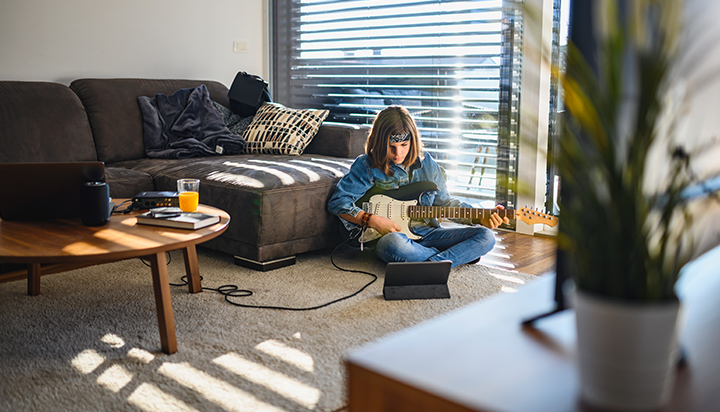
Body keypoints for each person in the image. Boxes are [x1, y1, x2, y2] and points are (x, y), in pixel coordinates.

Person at [327, 105, 509, 268]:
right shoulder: (367, 165)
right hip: (392, 237)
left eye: (404, 145)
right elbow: (338, 202)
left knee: (486, 236)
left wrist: (479, 218)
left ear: (412, 141)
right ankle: (453, 257)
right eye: (391, 146)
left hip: (428, 234)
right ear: (379, 142)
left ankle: (431, 264)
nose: (398, 153)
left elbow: (444, 204)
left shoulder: (427, 163)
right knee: (391, 245)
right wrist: (373, 220)